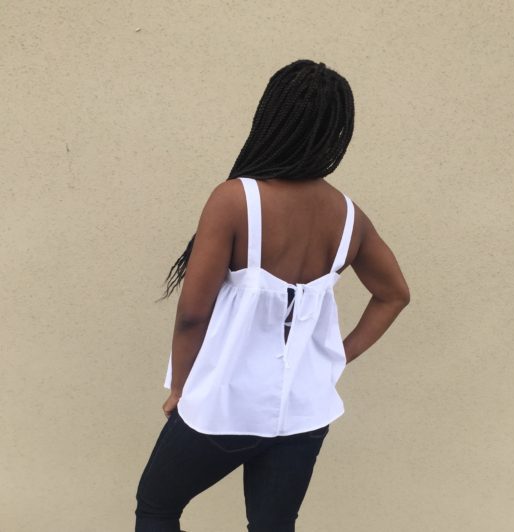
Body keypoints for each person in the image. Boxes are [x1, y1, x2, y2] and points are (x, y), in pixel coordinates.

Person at [134, 59, 411, 532]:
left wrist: (180, 388)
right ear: (336, 131)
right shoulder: (349, 216)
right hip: (305, 412)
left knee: (158, 507)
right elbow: (394, 295)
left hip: (227, 407)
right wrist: (334, 357)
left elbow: (192, 314)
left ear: (271, 117)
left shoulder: (235, 199)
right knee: (273, 526)